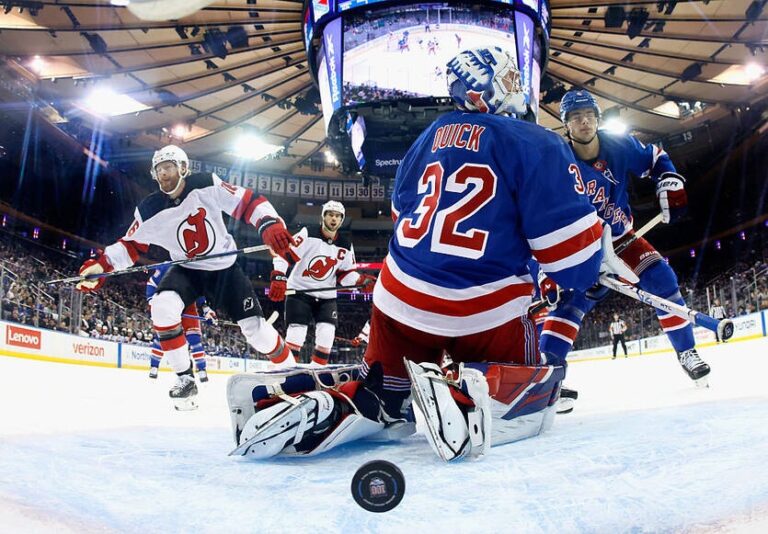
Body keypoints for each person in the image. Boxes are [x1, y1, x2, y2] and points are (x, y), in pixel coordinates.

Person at [227, 47, 635, 461]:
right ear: (487, 90)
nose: (518, 87)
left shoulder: (429, 135)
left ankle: (366, 398)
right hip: (484, 312)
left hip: (398, 302)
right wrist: (590, 273)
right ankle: (475, 390)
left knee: (383, 393)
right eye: (510, 79)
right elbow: (569, 260)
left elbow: (401, 211)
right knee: (536, 384)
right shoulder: (538, 142)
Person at [75, 145, 296, 410]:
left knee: (256, 332)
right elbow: (130, 246)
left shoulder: (207, 184)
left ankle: (291, 370)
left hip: (224, 270)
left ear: (183, 168)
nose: (163, 173)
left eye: (168, 166)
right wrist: (101, 266)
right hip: (187, 270)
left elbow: (249, 202)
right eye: (158, 170)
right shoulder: (149, 209)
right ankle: (185, 378)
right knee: (162, 307)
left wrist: (268, 224)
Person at [538, 89, 711, 386]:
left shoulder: (617, 144)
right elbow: (540, 217)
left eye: (590, 115)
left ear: (597, 118)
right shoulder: (557, 160)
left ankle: (687, 352)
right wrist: (546, 270)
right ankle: (549, 377)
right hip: (580, 247)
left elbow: (657, 157)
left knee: (663, 281)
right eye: (576, 117)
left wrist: (668, 181)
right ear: (566, 124)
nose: (584, 122)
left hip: (621, 239)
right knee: (567, 305)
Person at [268, 200, 376, 365]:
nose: (334, 219)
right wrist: (279, 276)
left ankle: (317, 372)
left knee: (327, 334)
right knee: (297, 333)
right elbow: (284, 254)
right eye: (330, 215)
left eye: (338, 216)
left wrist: (361, 281)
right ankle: (286, 372)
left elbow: (345, 274)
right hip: (300, 292)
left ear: (342, 220)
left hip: (326, 296)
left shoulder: (346, 244)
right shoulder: (308, 233)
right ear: (323, 217)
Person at [146, 264, 217, 381]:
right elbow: (152, 283)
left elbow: (199, 293)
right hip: (169, 304)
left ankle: (201, 369)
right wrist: (152, 301)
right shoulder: (166, 266)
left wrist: (206, 309)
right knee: (164, 336)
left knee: (194, 339)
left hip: (189, 305)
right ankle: (154, 366)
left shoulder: (195, 269)